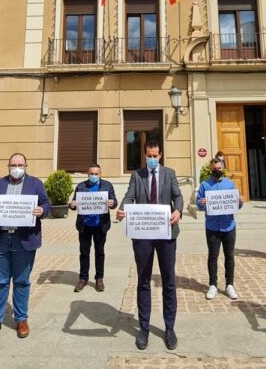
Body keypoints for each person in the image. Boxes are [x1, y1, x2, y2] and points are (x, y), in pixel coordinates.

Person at [117, 139, 183, 351]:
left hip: (166, 234)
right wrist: (122, 209)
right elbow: (129, 196)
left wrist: (178, 211)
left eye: (155, 156)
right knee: (143, 280)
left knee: (168, 280)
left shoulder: (169, 174)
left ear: (160, 155)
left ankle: (169, 327)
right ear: (144, 155)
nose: (152, 159)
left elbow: (178, 196)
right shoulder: (137, 175)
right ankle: (143, 328)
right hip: (143, 234)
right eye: (149, 156)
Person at [0, 153, 50, 340]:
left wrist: (42, 211)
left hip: (23, 239)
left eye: (20, 164)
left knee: (21, 281)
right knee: (0, 282)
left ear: (26, 165)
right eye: (13, 164)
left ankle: (21, 319)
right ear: (8, 166)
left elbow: (46, 204)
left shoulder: (35, 184)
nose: (17, 167)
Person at [196, 157, 242, 300]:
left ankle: (230, 284)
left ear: (223, 169)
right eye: (214, 168)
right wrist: (201, 203)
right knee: (213, 256)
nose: (217, 170)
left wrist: (239, 202)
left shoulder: (230, 184)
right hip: (212, 227)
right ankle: (213, 285)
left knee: (229, 256)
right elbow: (199, 203)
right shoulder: (204, 185)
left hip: (229, 226)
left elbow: (237, 205)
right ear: (211, 169)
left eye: (219, 168)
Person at [69, 164, 118, 292]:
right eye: (91, 173)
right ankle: (83, 278)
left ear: (101, 174)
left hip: (100, 225)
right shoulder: (81, 186)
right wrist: (72, 205)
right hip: (84, 226)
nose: (94, 176)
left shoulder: (107, 185)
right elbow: (74, 203)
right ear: (87, 174)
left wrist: (112, 203)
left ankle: (99, 278)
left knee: (100, 252)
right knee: (84, 253)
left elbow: (114, 202)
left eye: (96, 173)